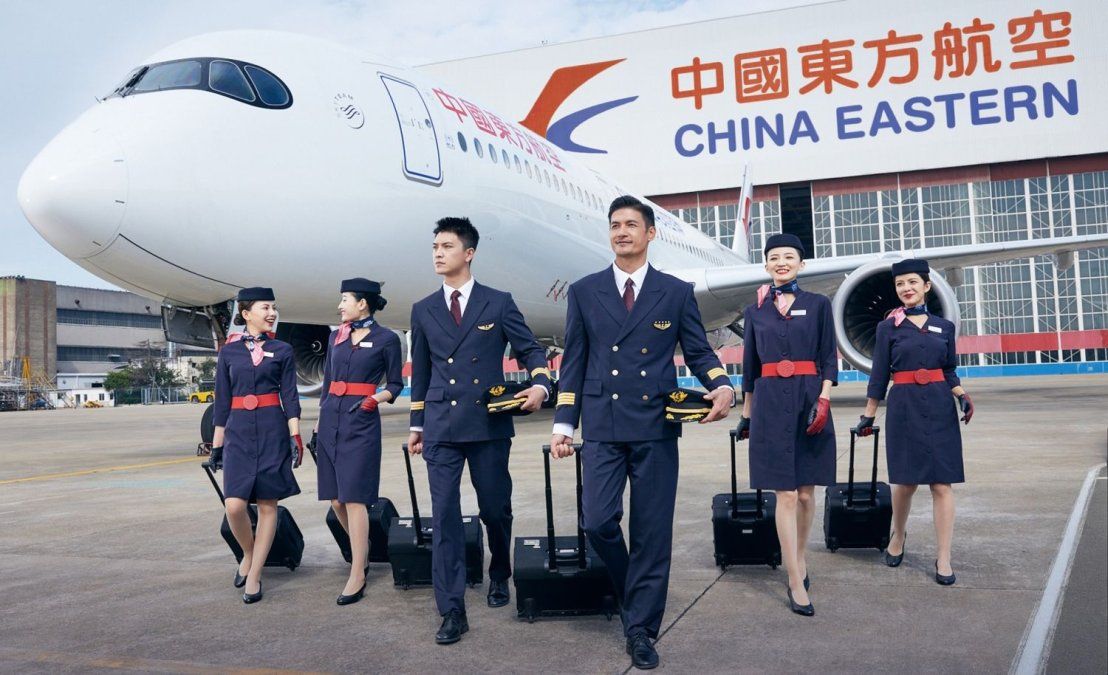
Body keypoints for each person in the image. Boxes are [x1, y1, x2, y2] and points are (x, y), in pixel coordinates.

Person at [550, 195, 734, 671]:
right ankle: (635, 589)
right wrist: (564, 424)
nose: (621, 232)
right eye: (615, 225)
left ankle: (641, 629)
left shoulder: (674, 291)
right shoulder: (586, 291)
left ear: (651, 234)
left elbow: (698, 351)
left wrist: (722, 385)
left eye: (632, 224)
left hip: (655, 426)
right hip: (604, 427)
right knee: (597, 521)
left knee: (651, 532)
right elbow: (573, 363)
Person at [406, 217, 552, 645]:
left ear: (468, 253)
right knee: (445, 517)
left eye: (446, 246)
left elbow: (529, 348)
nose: (437, 253)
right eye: (434, 246)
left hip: (488, 424)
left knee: (495, 509)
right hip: (441, 428)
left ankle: (500, 571)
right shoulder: (423, 309)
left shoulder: (498, 302)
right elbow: (423, 372)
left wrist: (541, 382)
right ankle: (451, 610)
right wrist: (417, 423)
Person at [853, 258, 973, 586]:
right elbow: (879, 375)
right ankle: (898, 535)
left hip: (938, 405)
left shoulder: (944, 328)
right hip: (903, 405)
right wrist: (869, 413)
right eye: (900, 284)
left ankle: (944, 556)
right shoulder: (887, 328)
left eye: (912, 283)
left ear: (926, 286)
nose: (906, 289)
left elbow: (948, 369)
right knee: (904, 483)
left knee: (941, 484)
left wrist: (962, 394)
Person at [735, 233, 837, 617]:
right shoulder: (755, 312)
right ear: (766, 265)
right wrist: (746, 415)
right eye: (774, 257)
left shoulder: (818, 305)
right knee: (787, 495)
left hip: (810, 399)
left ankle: (799, 557)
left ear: (801, 264)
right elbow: (749, 368)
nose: (781, 262)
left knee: (808, 494)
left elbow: (829, 356)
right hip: (770, 404)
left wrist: (824, 398)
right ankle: (795, 579)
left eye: (789, 256)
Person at [208, 287, 305, 604]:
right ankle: (248, 553)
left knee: (267, 506)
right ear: (246, 313)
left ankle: (255, 574)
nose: (272, 313)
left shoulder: (283, 350)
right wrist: (217, 445)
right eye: (266, 307)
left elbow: (290, 398)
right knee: (234, 506)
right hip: (237, 433)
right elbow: (222, 402)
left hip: (271, 430)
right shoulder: (228, 352)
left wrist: (295, 436)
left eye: (274, 307)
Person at [313, 278, 403, 605]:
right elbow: (326, 385)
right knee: (335, 500)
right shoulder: (335, 337)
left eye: (344, 300)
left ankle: (358, 572)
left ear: (362, 303)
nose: (340, 306)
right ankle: (360, 551)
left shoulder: (387, 339)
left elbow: (396, 383)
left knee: (354, 498)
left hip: (361, 421)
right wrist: (319, 423)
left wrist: (375, 400)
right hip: (331, 421)